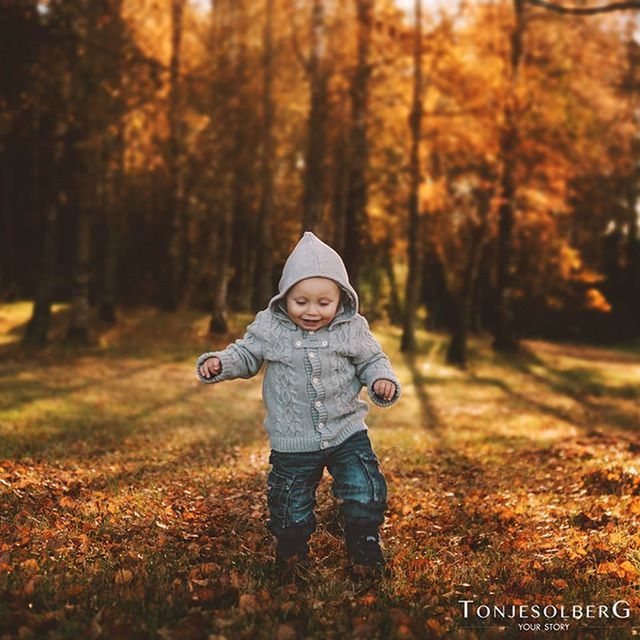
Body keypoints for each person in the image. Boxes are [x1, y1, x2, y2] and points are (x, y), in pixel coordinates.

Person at [195, 231, 401, 579]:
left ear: (341, 299)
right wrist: (221, 362)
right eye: (300, 301)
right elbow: (246, 355)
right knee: (289, 507)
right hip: (293, 440)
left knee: (364, 489)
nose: (311, 311)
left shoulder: (351, 328)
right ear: (284, 297)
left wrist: (382, 380)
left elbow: (372, 360)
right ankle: (291, 554)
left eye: (324, 302)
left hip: (347, 431)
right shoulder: (271, 328)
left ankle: (365, 547)